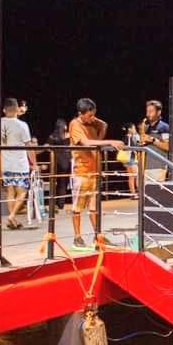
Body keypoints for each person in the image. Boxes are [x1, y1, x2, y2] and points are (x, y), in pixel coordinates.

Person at [67, 97, 124, 249]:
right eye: (89, 115)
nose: (92, 118)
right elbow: (85, 143)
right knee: (77, 207)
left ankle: (97, 236)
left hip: (94, 171)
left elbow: (104, 125)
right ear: (81, 113)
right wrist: (109, 141)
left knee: (94, 207)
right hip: (81, 171)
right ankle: (77, 238)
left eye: (93, 115)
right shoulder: (75, 124)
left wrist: (99, 136)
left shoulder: (92, 122)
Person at [0, 97, 35, 229]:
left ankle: (12, 219)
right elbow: (29, 146)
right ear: (16, 109)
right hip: (19, 164)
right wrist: (34, 163)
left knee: (10, 191)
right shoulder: (22, 125)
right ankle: (12, 215)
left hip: (5, 163)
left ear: (4, 109)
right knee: (22, 192)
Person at [139, 99, 170, 179]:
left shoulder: (164, 127)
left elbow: (167, 147)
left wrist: (153, 140)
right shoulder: (146, 127)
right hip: (143, 167)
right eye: (147, 111)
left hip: (157, 167)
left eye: (151, 111)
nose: (148, 114)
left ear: (158, 112)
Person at [45, 119, 72, 209]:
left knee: (53, 183)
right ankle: (60, 205)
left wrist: (55, 151)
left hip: (55, 162)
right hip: (66, 162)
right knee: (63, 183)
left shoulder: (52, 136)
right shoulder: (68, 136)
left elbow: (48, 148)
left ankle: (52, 203)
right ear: (64, 126)